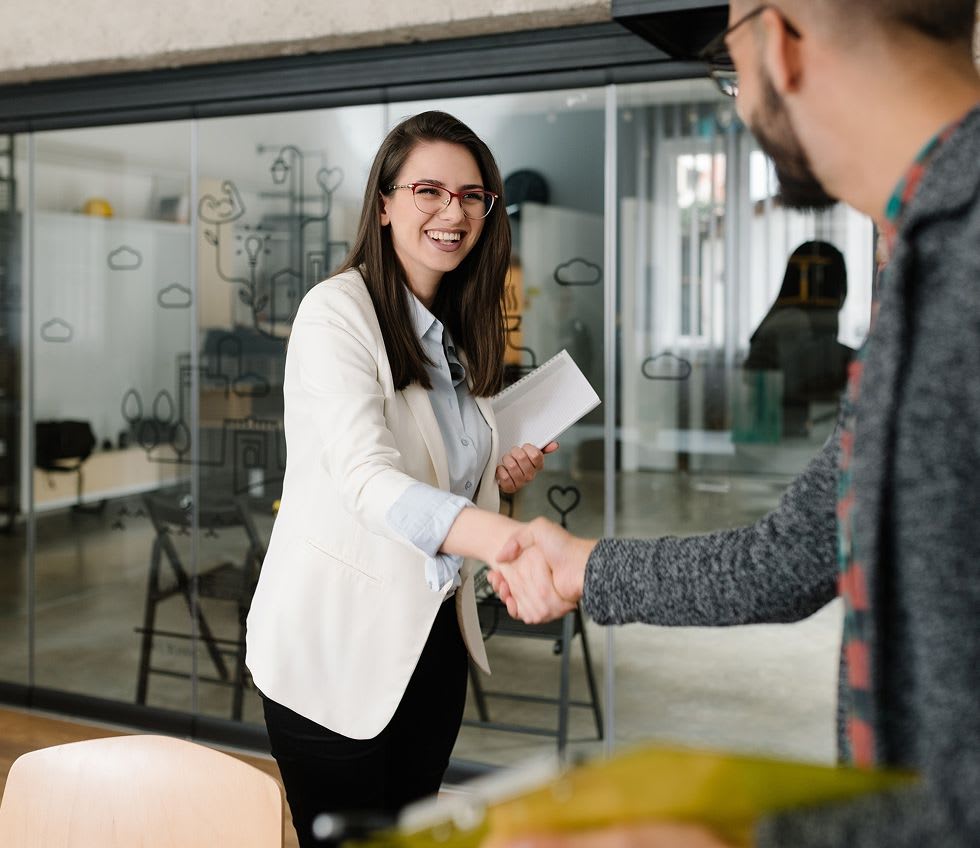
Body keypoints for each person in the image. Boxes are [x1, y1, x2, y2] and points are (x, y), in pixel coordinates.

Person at [487, 1, 980, 846]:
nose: (739, 99)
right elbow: (794, 556)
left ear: (779, 42)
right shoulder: (922, 263)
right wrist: (584, 567)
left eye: (730, 61)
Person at [245, 110, 557, 848]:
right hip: (333, 654)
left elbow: (440, 472)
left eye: (472, 195)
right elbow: (368, 478)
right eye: (429, 190)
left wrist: (497, 476)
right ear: (383, 204)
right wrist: (509, 537)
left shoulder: (457, 330)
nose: (454, 212)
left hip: (432, 643)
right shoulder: (336, 314)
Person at [743, 239, 853, 436]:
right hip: (777, 443)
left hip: (786, 436)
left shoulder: (791, 318)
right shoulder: (793, 320)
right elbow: (813, 371)